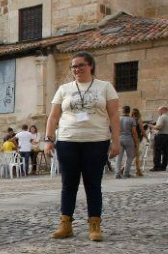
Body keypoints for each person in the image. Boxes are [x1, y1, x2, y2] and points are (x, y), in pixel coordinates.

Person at [44, 51, 119, 242]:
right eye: (74, 66)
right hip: (68, 140)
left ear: (90, 66)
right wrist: (48, 139)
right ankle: (65, 224)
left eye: (81, 65)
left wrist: (115, 141)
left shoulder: (105, 87)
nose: (77, 69)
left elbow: (114, 116)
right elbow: (53, 116)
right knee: (68, 184)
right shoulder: (64, 89)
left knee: (93, 184)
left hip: (97, 140)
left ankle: (94, 225)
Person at [115, 105, 138, 179]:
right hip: (128, 139)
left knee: (119, 157)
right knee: (129, 157)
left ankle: (117, 174)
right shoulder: (132, 120)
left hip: (119, 138)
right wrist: (136, 141)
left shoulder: (118, 119)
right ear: (129, 111)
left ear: (122, 111)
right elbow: (134, 132)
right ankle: (126, 173)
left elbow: (115, 130)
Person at [150, 106, 168, 172]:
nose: (158, 112)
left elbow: (159, 127)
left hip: (161, 136)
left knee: (157, 151)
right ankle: (163, 167)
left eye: (158, 110)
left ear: (162, 110)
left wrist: (151, 126)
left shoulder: (162, 117)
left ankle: (157, 166)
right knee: (165, 152)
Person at [131, 108, 144, 177]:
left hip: (130, 138)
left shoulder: (130, 119)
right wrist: (147, 138)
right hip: (137, 139)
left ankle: (138, 170)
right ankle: (138, 170)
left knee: (133, 155)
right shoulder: (139, 120)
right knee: (136, 155)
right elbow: (142, 130)